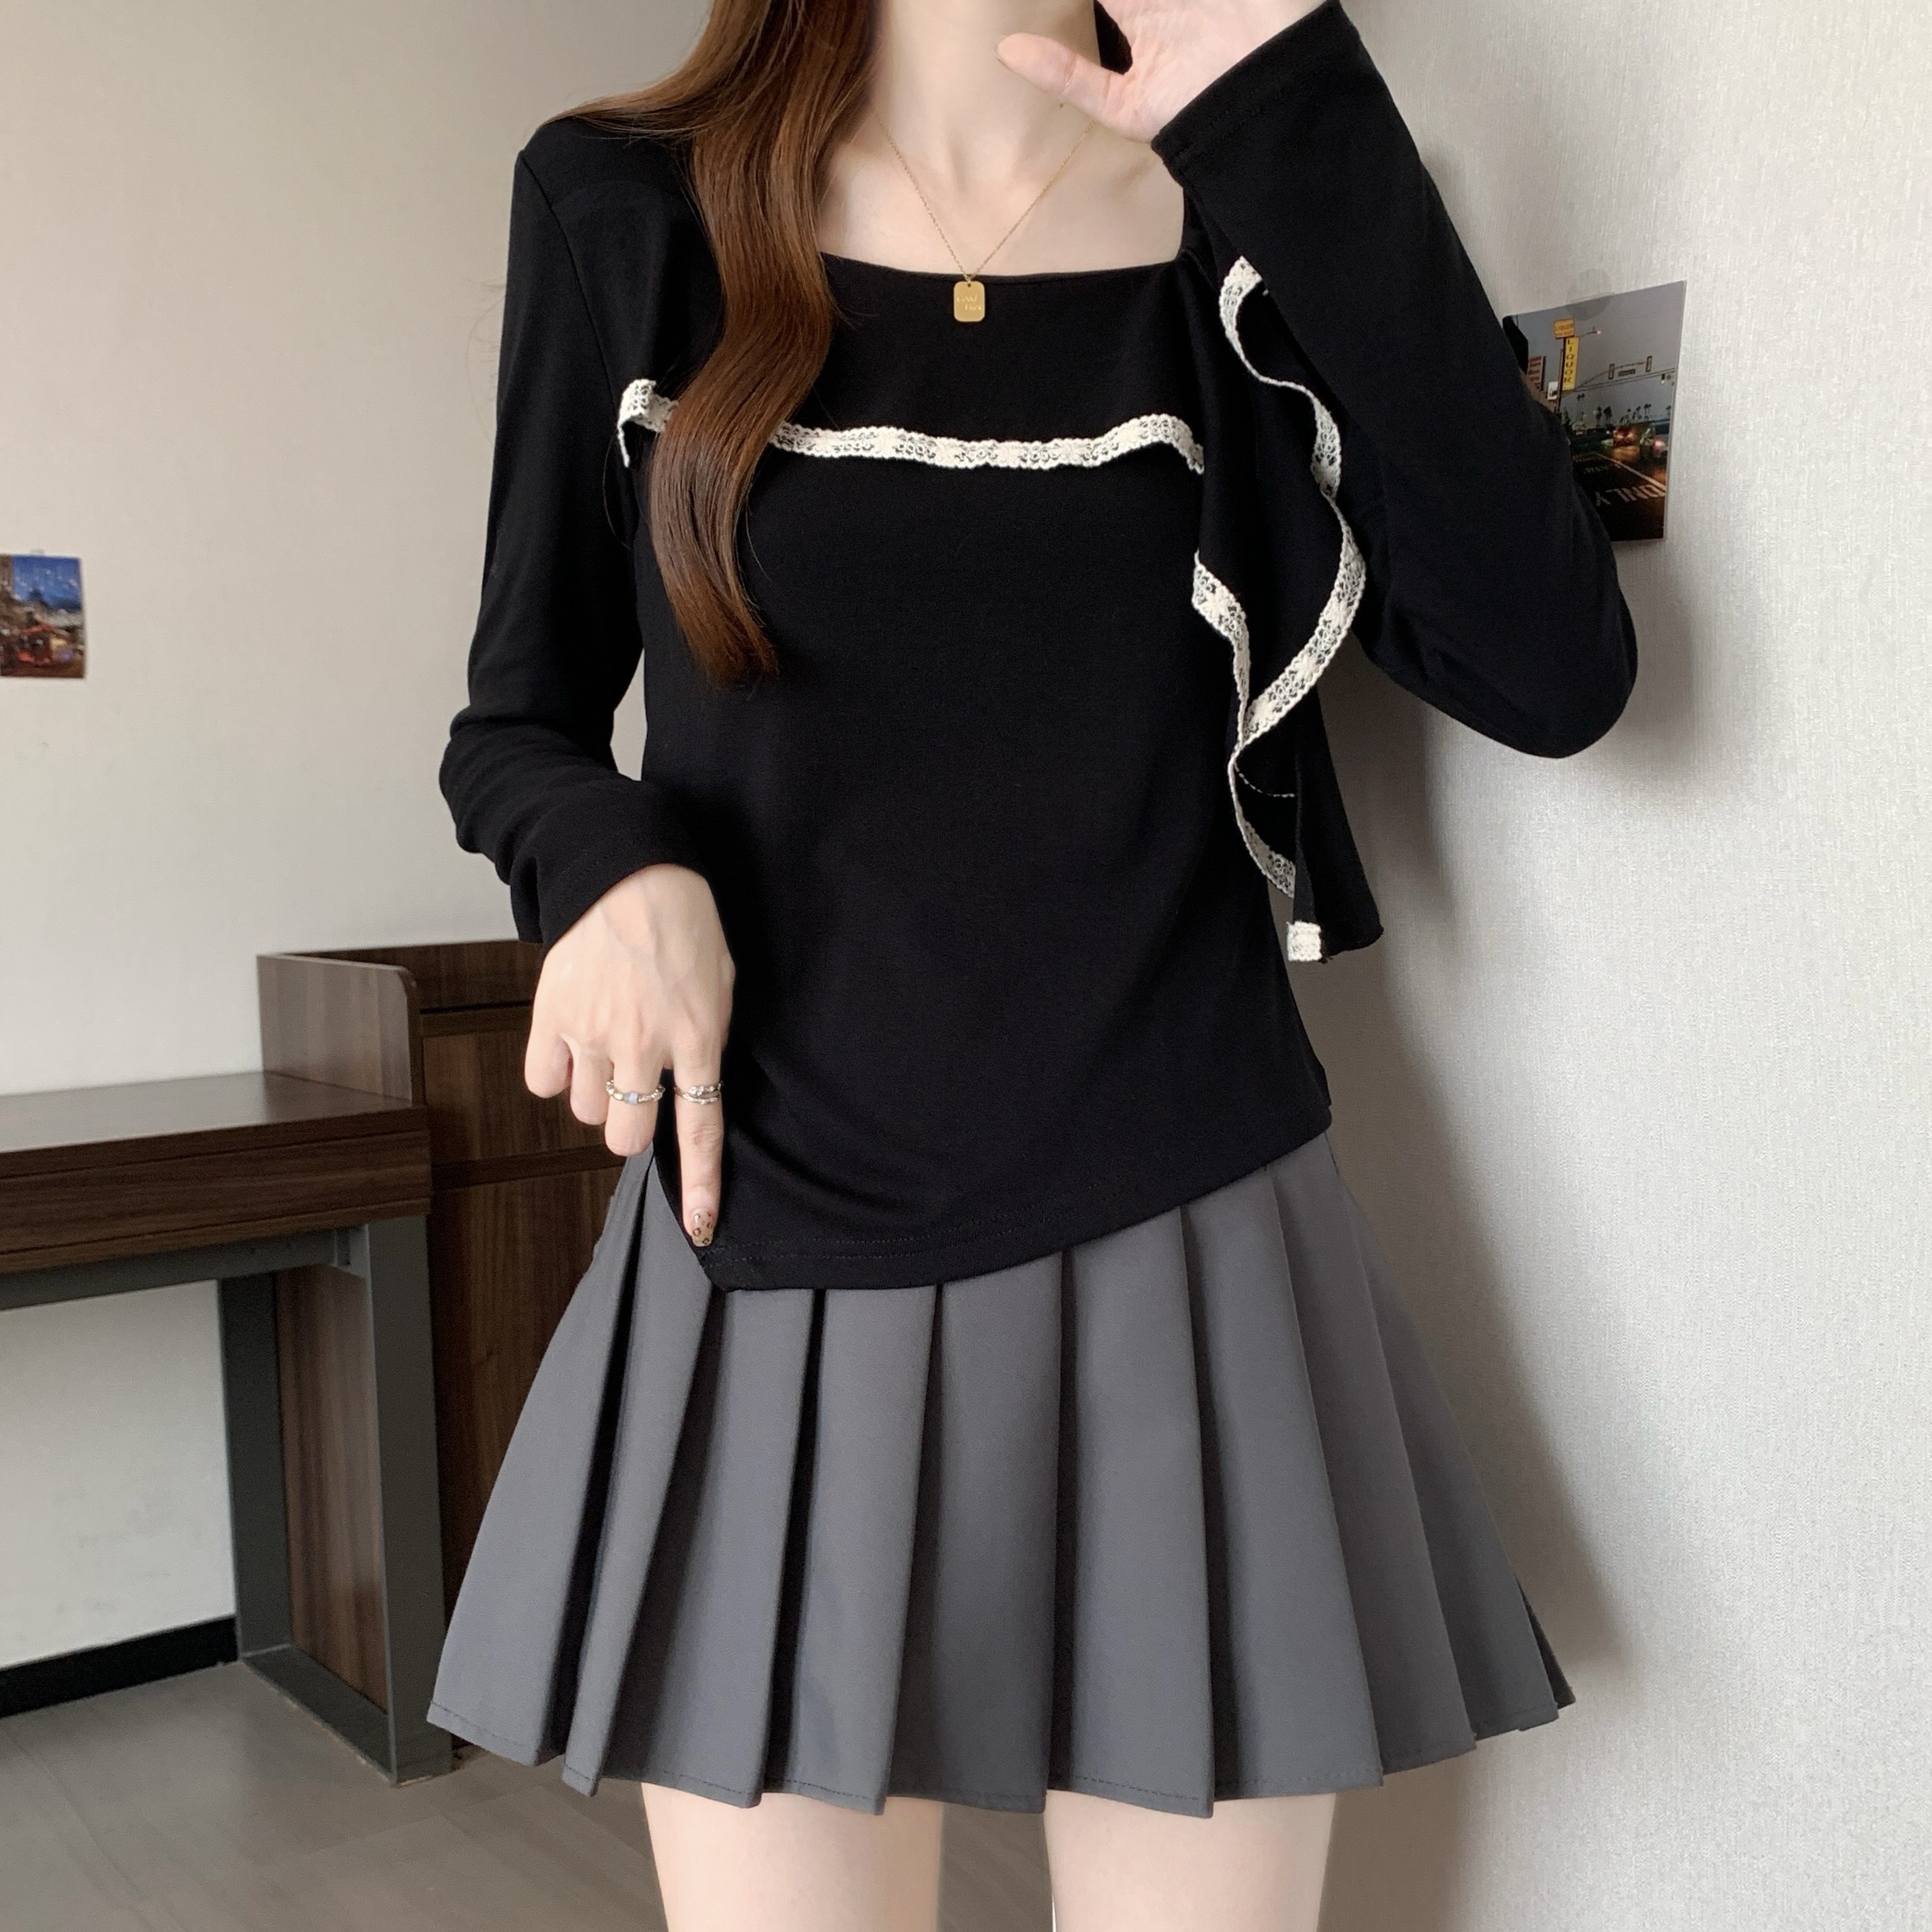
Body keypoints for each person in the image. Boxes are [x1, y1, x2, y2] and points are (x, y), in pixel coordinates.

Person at [425, 0, 1637, 1924]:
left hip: (1193, 1235)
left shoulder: (1249, 207)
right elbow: (517, 725)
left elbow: (1553, 671)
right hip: (773, 1240)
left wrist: (1296, 114)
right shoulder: (622, 209)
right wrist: (608, 865)